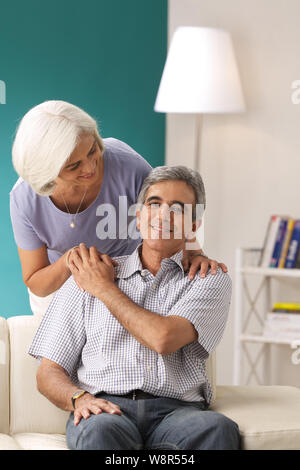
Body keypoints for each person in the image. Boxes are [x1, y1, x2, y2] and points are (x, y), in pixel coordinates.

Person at [29, 165, 240, 450]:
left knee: (217, 429)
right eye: (155, 204)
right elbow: (48, 373)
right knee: (99, 433)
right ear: (138, 218)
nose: (164, 215)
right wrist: (80, 399)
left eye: (178, 209)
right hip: (105, 409)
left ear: (193, 227)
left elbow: (163, 338)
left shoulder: (208, 280)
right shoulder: (86, 276)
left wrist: (105, 288)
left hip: (178, 413)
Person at [10, 100, 227, 318]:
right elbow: (36, 281)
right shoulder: (25, 198)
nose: (89, 167)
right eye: (73, 165)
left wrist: (195, 253)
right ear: (47, 172)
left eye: (92, 150)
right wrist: (69, 261)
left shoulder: (127, 165)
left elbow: (167, 210)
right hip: (62, 288)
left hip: (128, 281)